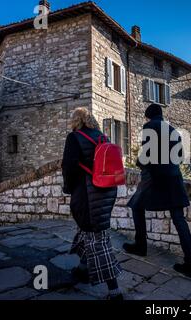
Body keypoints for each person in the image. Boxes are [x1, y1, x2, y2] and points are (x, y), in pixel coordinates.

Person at [124, 104, 191, 277]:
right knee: (179, 219)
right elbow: (179, 157)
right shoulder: (174, 131)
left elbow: (146, 154)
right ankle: (190, 264)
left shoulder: (149, 126)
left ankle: (141, 246)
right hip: (174, 177)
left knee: (136, 206)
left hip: (154, 178)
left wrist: (139, 163)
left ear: (148, 117)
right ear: (161, 115)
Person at [61, 107, 123, 301]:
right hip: (106, 191)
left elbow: (68, 167)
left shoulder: (75, 137)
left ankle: (115, 292)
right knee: (90, 230)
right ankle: (83, 269)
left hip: (87, 192)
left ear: (76, 121)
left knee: (98, 240)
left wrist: (68, 188)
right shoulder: (103, 137)